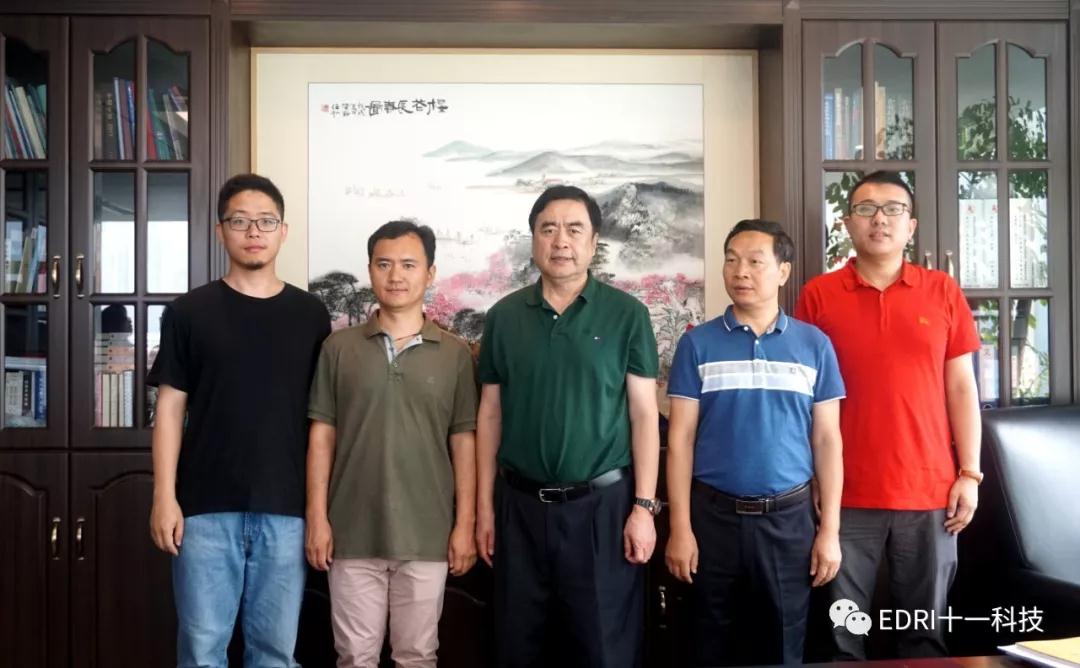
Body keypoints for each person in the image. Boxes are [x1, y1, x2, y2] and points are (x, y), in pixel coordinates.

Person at [795, 170, 982, 659]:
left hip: (930, 492)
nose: (879, 219)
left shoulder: (942, 290)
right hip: (845, 492)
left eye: (892, 209)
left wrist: (970, 473)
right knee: (843, 637)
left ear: (910, 225)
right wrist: (811, 475)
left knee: (925, 636)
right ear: (847, 223)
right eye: (866, 209)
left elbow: (962, 388)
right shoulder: (818, 295)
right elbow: (801, 396)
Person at [148, 173, 331, 667]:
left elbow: (323, 420)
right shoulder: (189, 312)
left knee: (274, 653)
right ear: (220, 231)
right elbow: (170, 409)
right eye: (240, 221)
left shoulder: (311, 315)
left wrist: (318, 510)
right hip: (204, 509)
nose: (254, 231)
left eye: (266, 221)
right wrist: (164, 497)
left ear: (283, 231)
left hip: (286, 510)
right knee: (202, 651)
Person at [474, 185, 661, 668]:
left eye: (574, 229)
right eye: (548, 229)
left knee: (603, 650)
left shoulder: (627, 315)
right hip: (519, 508)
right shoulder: (504, 317)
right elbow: (490, 414)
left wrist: (644, 508)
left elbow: (644, 414)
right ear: (533, 240)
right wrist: (484, 509)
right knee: (517, 648)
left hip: (602, 510)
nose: (561, 241)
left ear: (594, 242)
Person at [665, 219, 845, 666]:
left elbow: (827, 441)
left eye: (754, 261)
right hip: (712, 518)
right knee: (708, 643)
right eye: (731, 260)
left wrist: (829, 531)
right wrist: (681, 528)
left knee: (782, 645)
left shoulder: (814, 345)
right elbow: (681, 439)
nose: (739, 271)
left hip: (788, 521)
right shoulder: (697, 344)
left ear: (783, 271)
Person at [306, 221, 478, 668]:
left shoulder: (455, 354)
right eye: (384, 264)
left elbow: (464, 443)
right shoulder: (338, 349)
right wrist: (317, 519)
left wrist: (464, 525)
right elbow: (322, 437)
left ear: (430, 273)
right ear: (370, 270)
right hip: (350, 532)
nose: (395, 275)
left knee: (417, 656)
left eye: (408, 265)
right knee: (354, 657)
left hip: (427, 534)